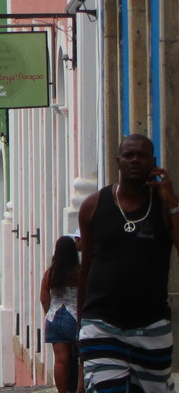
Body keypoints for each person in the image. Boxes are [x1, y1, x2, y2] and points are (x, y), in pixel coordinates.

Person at [78, 134, 179, 393]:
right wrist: (81, 326)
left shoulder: (164, 207)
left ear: (153, 162)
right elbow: (86, 268)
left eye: (142, 155)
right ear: (118, 162)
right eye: (129, 155)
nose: (135, 160)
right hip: (102, 325)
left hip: (152, 326)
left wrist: (173, 204)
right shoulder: (93, 205)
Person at [40, 236, 80, 393]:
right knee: (80, 359)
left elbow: (44, 298)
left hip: (54, 317)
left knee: (60, 361)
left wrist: (49, 314)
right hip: (75, 317)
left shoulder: (50, 274)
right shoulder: (79, 272)